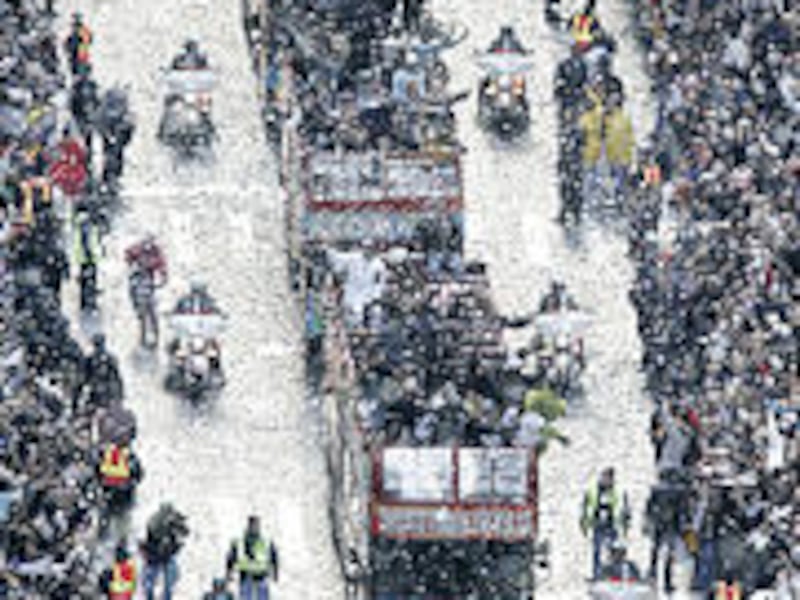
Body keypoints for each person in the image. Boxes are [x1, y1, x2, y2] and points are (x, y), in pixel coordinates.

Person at [581, 467, 630, 580]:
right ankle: (597, 573)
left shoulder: (617, 491)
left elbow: (624, 508)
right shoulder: (593, 490)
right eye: (605, 477)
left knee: (614, 549)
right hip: (597, 523)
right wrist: (585, 523)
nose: (607, 480)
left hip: (612, 524)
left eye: (609, 478)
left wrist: (624, 525)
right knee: (597, 550)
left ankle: (614, 573)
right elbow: (586, 506)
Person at [140, 503, 188, 600]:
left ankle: (165, 596)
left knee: (170, 581)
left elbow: (185, 532)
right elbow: (154, 532)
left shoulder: (172, 521)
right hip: (154, 556)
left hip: (167, 555)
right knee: (149, 582)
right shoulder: (154, 522)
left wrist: (177, 525)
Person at [126, 235, 167, 348]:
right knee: (141, 311)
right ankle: (143, 333)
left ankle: (155, 334)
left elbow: (162, 265)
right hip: (137, 285)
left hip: (149, 286)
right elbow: (128, 255)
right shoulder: (136, 250)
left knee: (152, 311)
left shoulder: (156, 252)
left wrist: (162, 278)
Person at [226, 516, 279, 600]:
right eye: (252, 525)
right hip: (246, 576)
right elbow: (230, 557)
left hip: (262, 575)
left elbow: (274, 556)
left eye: (256, 525)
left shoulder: (266, 541)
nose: (254, 527)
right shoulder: (239, 541)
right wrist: (229, 572)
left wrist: (275, 572)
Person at [72, 207, 103, 311]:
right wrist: (90, 254)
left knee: (85, 281)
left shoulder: (80, 225)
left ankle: (85, 302)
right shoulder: (86, 225)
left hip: (83, 258)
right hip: (88, 258)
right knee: (89, 280)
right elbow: (87, 242)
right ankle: (89, 302)